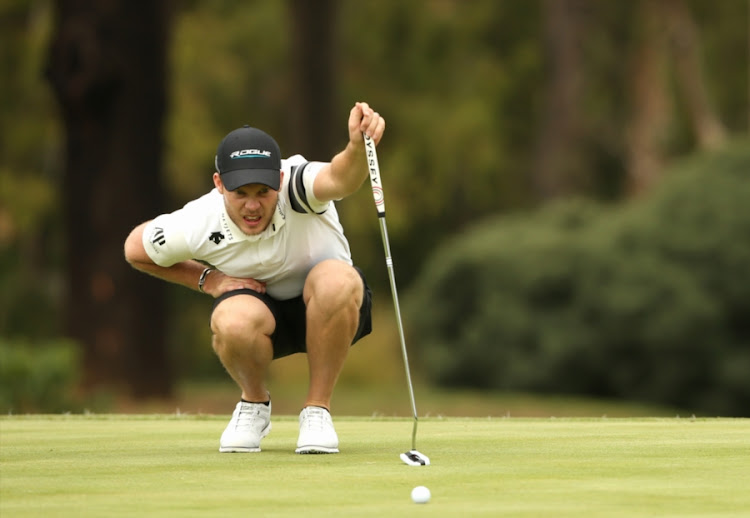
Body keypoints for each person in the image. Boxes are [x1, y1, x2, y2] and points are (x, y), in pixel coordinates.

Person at [124, 102, 385, 454]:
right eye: (240, 194)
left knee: (336, 280)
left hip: (330, 310)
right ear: (219, 184)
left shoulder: (296, 184)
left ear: (278, 179)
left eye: (263, 192)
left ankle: (317, 410)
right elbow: (135, 248)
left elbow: (340, 178)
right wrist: (207, 279)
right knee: (230, 321)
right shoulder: (200, 220)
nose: (252, 206)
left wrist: (355, 147)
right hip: (261, 318)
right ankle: (254, 404)